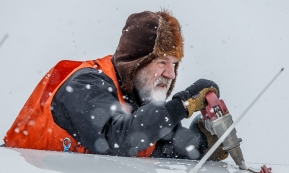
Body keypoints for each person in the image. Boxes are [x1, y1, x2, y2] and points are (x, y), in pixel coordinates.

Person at [3, 10, 228, 160]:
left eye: (174, 64)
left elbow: (158, 145)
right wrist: (183, 103)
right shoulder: (84, 84)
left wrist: (204, 143)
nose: (170, 74)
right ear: (136, 62)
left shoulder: (137, 105)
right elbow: (116, 138)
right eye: (161, 62)